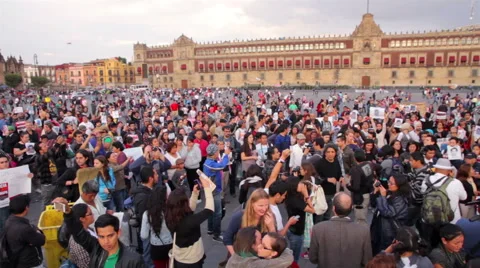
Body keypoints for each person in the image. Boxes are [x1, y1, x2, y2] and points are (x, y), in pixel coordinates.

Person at [56, 197, 145, 267]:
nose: (106, 242)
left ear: (118, 233)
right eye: (101, 237)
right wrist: (68, 212)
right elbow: (78, 232)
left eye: (110, 236)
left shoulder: (134, 260)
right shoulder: (97, 249)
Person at [309, 192, 372, 268]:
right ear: (351, 207)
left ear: (333, 208)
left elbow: (313, 258)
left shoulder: (318, 228)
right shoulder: (363, 231)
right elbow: (367, 260)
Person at [164, 176, 214, 267]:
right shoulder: (189, 221)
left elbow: (189, 210)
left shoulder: (169, 216)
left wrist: (195, 194)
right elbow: (209, 210)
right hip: (192, 259)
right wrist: (207, 189)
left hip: (180, 257)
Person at [223, 189, 276, 258]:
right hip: (240, 256)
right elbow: (227, 238)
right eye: (260, 205)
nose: (264, 208)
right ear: (252, 204)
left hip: (260, 259)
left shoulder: (270, 217)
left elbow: (275, 243)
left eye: (266, 205)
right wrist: (235, 258)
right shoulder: (239, 217)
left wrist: (271, 227)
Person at [371, 174, 410, 255]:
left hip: (389, 232)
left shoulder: (400, 200)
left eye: (391, 183)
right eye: (388, 181)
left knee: (385, 253)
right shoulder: (390, 193)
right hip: (380, 227)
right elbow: (373, 204)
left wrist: (383, 197)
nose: (388, 184)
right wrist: (375, 191)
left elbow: (387, 212)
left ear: (399, 186)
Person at [4, 194, 46, 268]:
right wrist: (37, 231)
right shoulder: (25, 229)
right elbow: (41, 240)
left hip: (18, 261)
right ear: (26, 208)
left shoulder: (9, 221)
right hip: (30, 262)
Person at [421, 158, 467, 224]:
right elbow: (464, 197)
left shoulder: (426, 180)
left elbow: (422, 193)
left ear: (436, 169)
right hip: (451, 220)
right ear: (449, 171)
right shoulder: (455, 182)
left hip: (429, 218)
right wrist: (453, 177)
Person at [225, 227, 294, 268]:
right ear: (252, 245)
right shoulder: (253, 264)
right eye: (260, 240)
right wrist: (282, 248)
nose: (261, 245)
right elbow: (287, 259)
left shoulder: (239, 252)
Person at [203, 143, 230, 242]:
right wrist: (226, 155)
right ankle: (216, 234)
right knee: (217, 213)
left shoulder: (208, 161)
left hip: (210, 190)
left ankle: (210, 229)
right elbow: (222, 166)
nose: (218, 153)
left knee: (210, 211)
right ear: (214, 153)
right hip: (215, 191)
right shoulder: (211, 164)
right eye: (217, 151)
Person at [140, 186, 172, 268]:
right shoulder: (171, 211)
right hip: (171, 245)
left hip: (156, 247)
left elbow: (144, 235)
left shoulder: (147, 214)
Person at [345, 150, 379, 226]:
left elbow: (356, 187)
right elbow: (380, 167)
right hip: (368, 193)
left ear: (355, 158)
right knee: (363, 216)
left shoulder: (356, 169)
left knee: (360, 219)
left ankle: (362, 235)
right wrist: (375, 177)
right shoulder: (369, 164)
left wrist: (347, 185)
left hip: (359, 197)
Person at [68, 203, 96, 268]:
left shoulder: (87, 229)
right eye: (90, 214)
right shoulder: (79, 245)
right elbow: (86, 265)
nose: (93, 215)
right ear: (82, 219)